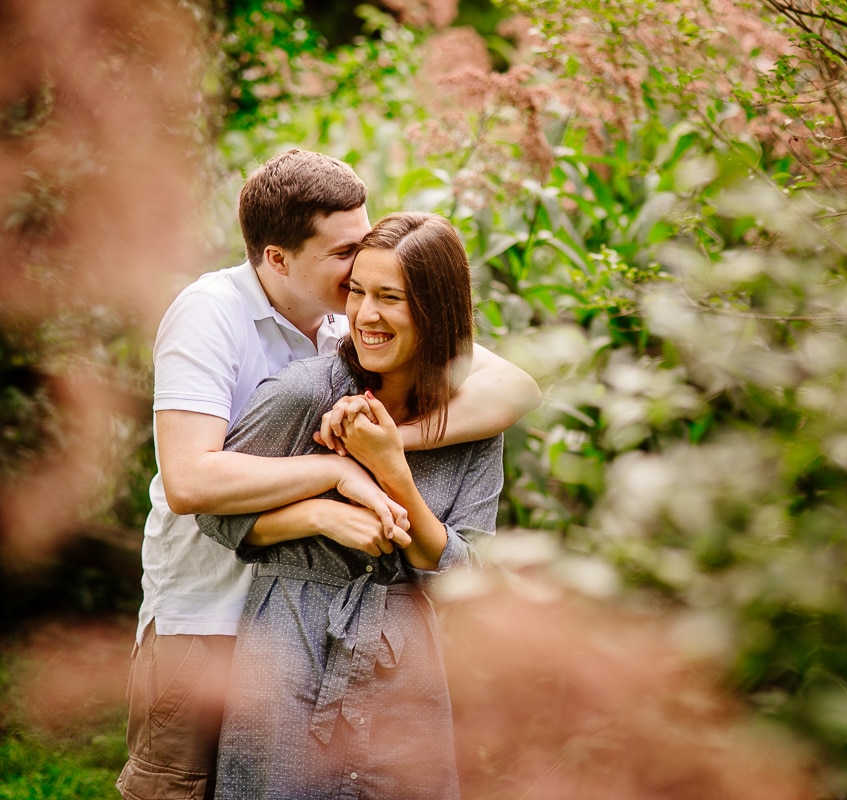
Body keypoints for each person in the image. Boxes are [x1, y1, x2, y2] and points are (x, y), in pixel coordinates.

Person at [118, 152, 540, 800]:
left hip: (342, 635)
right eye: (346, 253)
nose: (360, 276)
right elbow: (190, 484)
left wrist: (387, 447)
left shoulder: (346, 320)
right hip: (205, 616)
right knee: (181, 787)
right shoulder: (212, 316)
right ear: (279, 260)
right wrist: (337, 474)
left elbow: (513, 385)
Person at [196, 211, 497, 800]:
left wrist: (392, 472)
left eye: (390, 298)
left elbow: (470, 576)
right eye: (357, 292)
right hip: (288, 652)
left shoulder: (476, 424)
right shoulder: (303, 394)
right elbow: (213, 511)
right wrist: (319, 516)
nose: (364, 316)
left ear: (436, 309)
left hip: (407, 676)